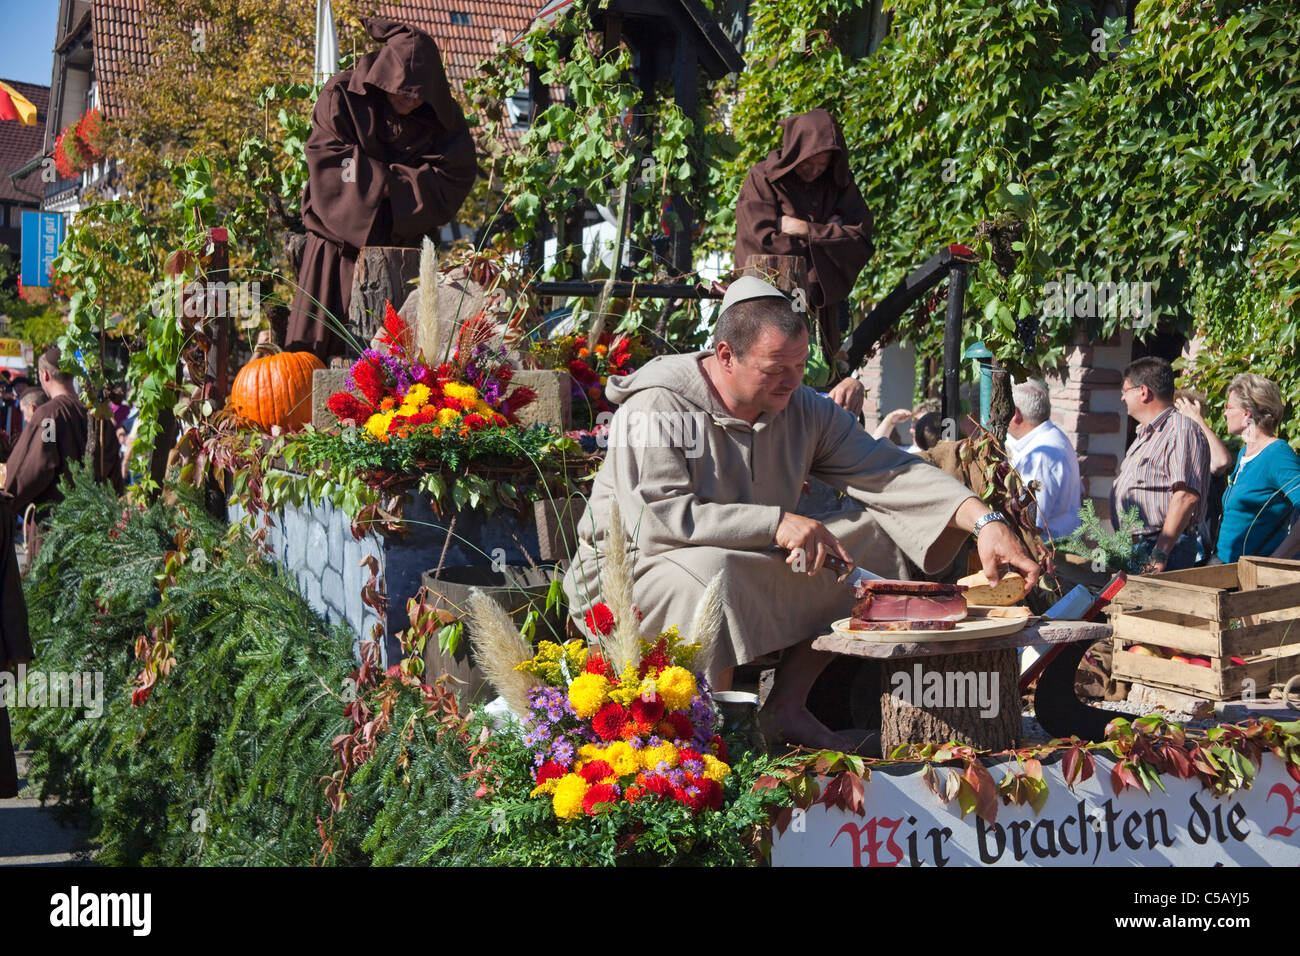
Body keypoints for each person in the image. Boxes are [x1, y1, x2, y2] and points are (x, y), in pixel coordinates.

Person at [562, 277, 1039, 750]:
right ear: (725, 355)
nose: (792, 380)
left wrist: (983, 519)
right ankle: (707, 738)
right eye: (775, 368)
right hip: (631, 571)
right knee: (713, 575)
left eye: (799, 364)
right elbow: (657, 519)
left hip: (739, 557)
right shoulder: (658, 407)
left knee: (871, 536)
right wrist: (774, 523)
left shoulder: (800, 408)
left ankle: (786, 708)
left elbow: (888, 470)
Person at [286, 17, 478, 361]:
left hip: (404, 264)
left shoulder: (443, 120)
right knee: (311, 370)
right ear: (383, 74)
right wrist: (402, 183)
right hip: (334, 258)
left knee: (405, 382)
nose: (410, 101)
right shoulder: (342, 97)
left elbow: (454, 177)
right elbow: (330, 164)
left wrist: (382, 181)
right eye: (401, 91)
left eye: (419, 95)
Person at [733, 109, 874, 414]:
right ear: (794, 152)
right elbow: (764, 242)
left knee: (819, 385)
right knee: (770, 377)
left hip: (824, 311)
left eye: (822, 163)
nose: (814, 169)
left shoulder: (838, 186)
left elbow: (860, 240)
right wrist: (829, 236)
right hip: (768, 307)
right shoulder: (762, 180)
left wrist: (804, 229)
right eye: (808, 161)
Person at [1178, 375, 1300, 563]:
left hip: (1253, 579)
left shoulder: (1278, 454)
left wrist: (1275, 560)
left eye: (1228, 407)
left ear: (1247, 413)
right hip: (1225, 567)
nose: (1225, 413)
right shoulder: (1245, 451)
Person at [2, 347, 123, 522]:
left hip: (56, 527)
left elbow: (36, 466)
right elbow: (114, 473)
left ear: (45, 375)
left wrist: (10, 499)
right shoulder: (100, 416)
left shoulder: (48, 416)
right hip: (98, 524)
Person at [1113, 357, 1211, 572]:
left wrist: (1160, 553)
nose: (1122, 398)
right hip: (1141, 547)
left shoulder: (1180, 430)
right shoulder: (1145, 435)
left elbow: (1185, 496)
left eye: (1126, 390)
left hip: (1161, 549)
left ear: (1143, 391)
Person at [1005, 378, 1082, 540]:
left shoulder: (1041, 455)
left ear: (1015, 414)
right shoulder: (1052, 438)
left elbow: (1031, 521)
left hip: (1049, 554)